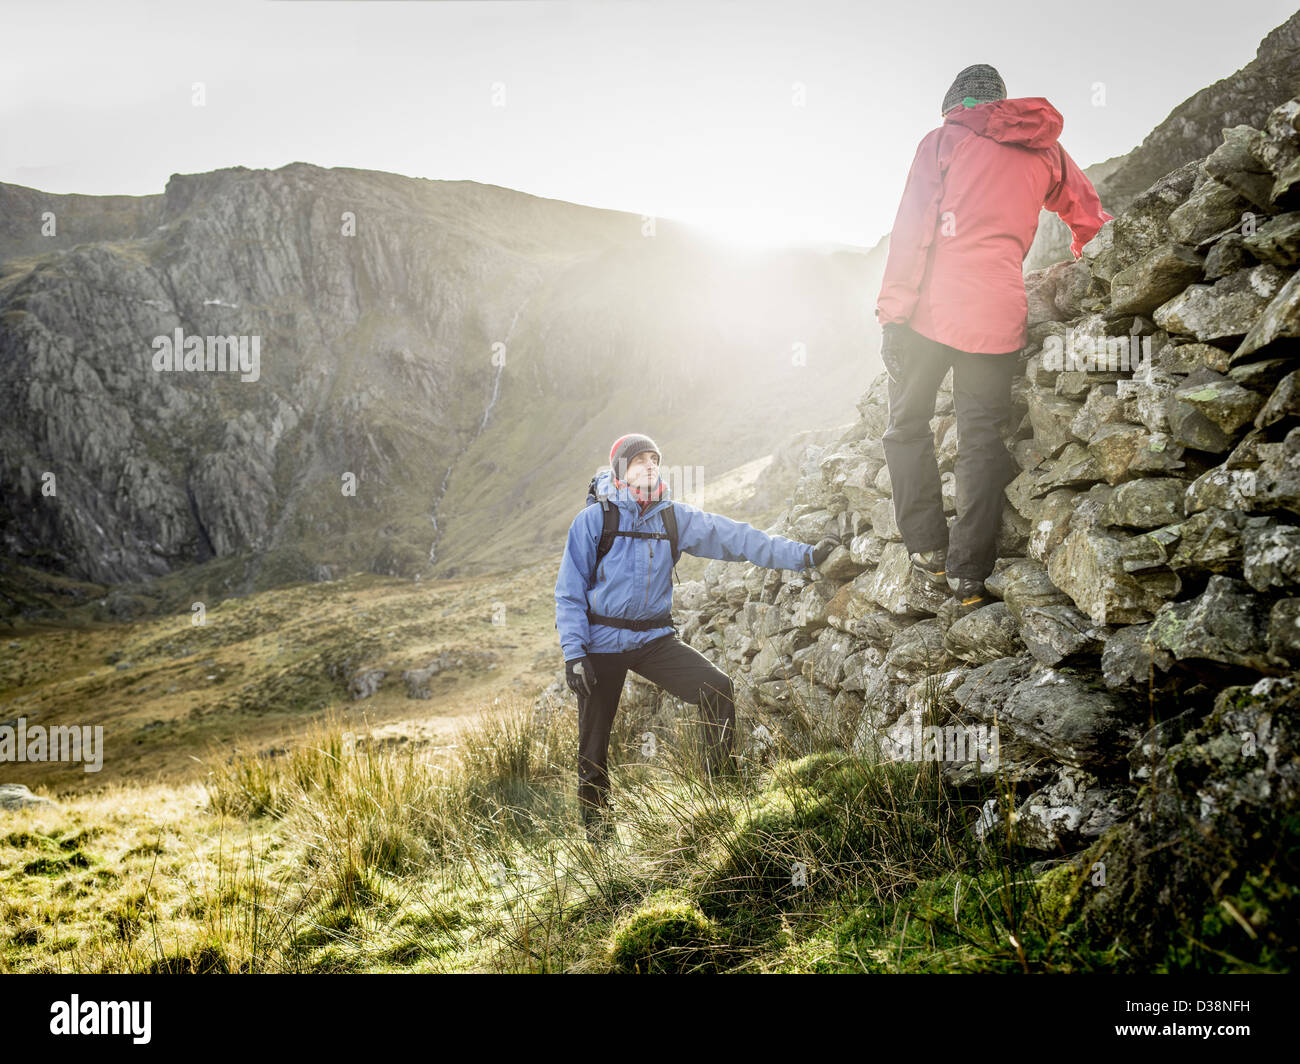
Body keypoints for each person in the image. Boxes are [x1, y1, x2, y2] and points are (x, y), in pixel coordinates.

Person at [875, 64, 1113, 612]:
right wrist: (1088, 261)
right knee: (981, 438)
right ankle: (968, 576)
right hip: (999, 311)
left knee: (906, 428)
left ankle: (929, 550)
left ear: (954, 104)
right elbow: (1089, 214)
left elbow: (913, 230)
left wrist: (893, 315)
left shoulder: (943, 140)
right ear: (1001, 102)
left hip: (928, 312)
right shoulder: (1045, 147)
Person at [555, 433, 840, 845]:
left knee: (717, 689)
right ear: (620, 471)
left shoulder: (673, 518)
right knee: (594, 743)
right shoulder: (594, 521)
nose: (650, 466)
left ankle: (720, 795)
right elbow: (569, 591)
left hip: (653, 640)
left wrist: (806, 555)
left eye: (654, 459)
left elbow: (738, 539)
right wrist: (575, 654)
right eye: (639, 461)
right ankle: (599, 841)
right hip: (601, 644)